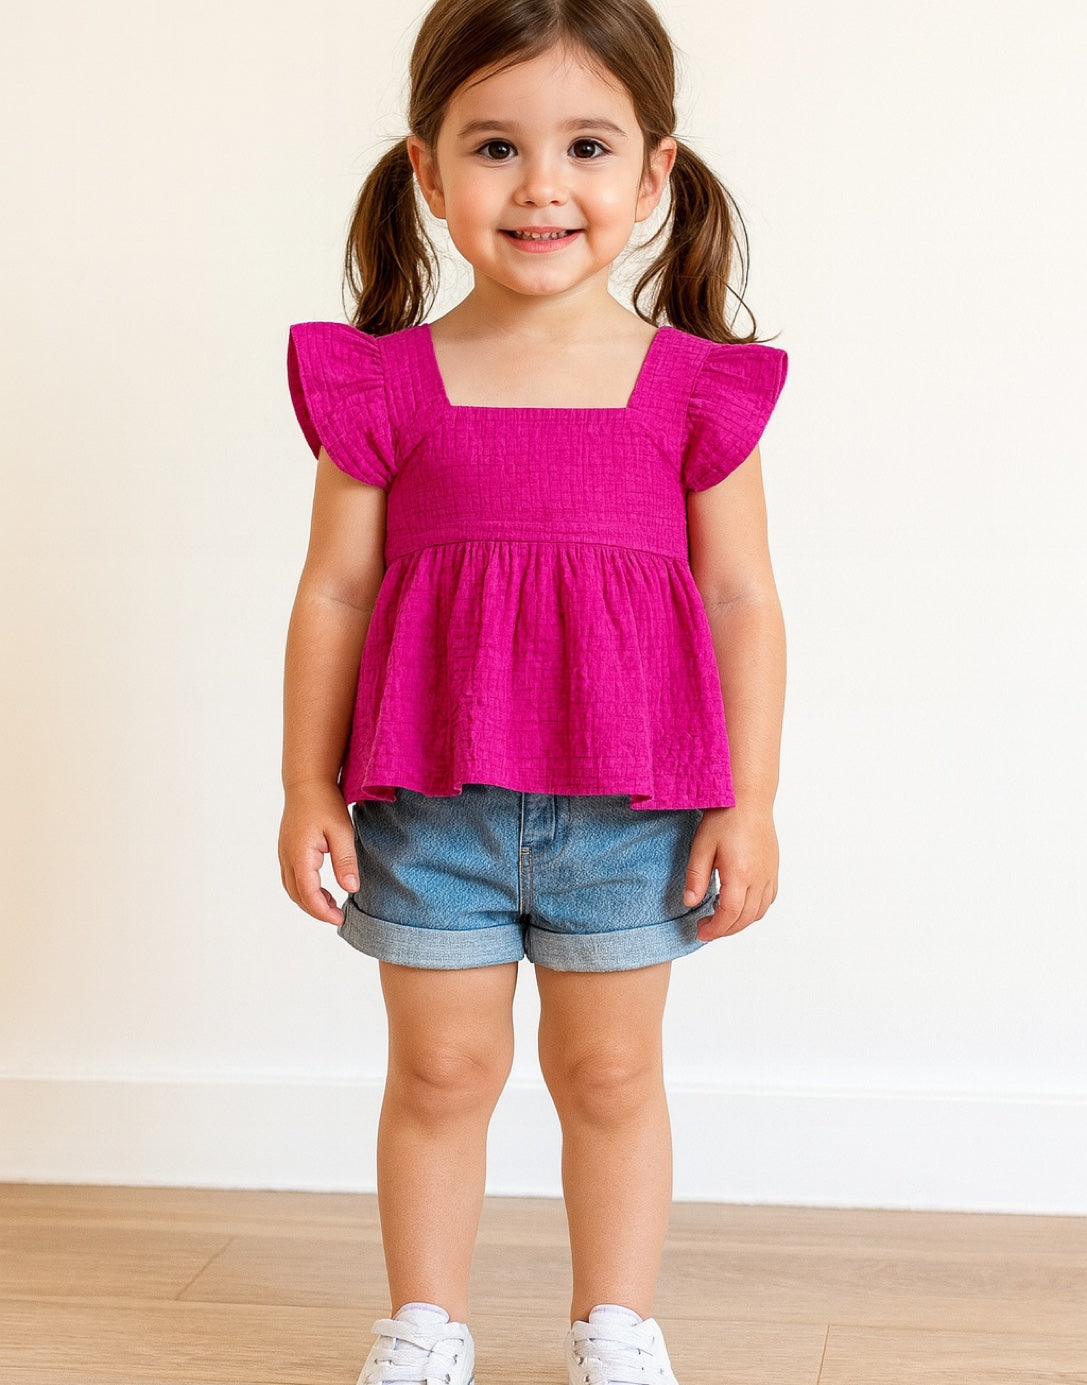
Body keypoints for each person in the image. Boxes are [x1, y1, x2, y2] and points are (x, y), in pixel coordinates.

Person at [278, 0, 789, 1380]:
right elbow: (332, 591)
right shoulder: (382, 385)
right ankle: (425, 1324)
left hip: (631, 812)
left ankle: (614, 1325)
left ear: (656, 173)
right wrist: (307, 783)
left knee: (610, 1077)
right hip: (428, 811)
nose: (543, 186)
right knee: (441, 1075)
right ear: (430, 174)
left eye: (586, 146)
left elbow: (744, 598)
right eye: (497, 147)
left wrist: (750, 802)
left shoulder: (693, 393)